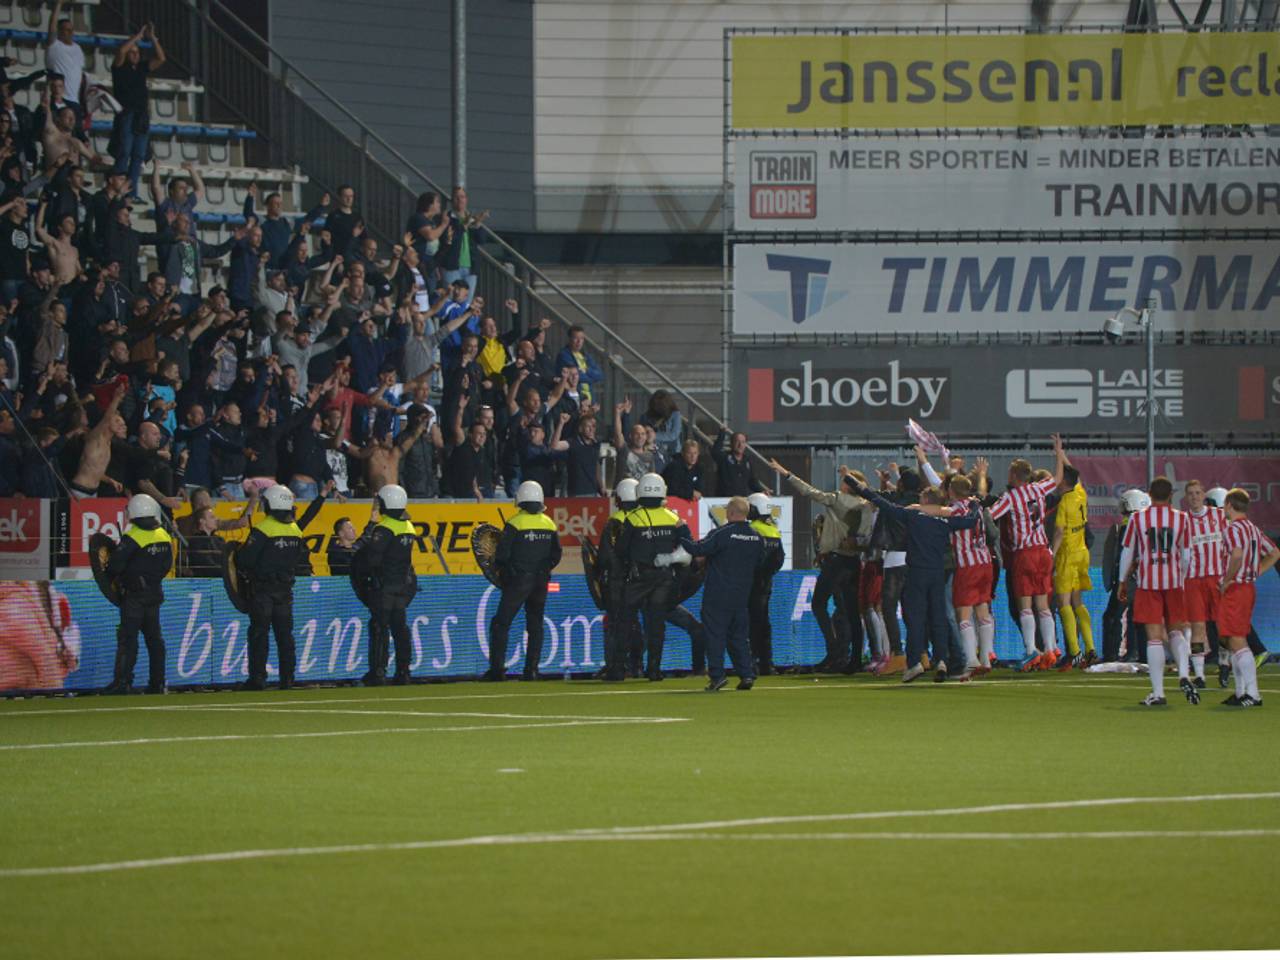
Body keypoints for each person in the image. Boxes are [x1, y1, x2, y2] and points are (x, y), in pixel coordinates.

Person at [847, 474, 980, 683]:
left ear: (926, 501)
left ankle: (914, 663)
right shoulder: (945, 521)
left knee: (916, 618)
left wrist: (858, 486)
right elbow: (970, 522)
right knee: (938, 618)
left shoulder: (914, 516)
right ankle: (941, 660)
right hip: (938, 574)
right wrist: (974, 505)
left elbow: (883, 504)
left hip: (917, 572)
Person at [769, 457, 866, 673]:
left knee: (818, 604)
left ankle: (834, 651)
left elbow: (809, 491)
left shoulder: (838, 498)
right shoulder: (864, 505)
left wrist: (786, 473)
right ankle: (854, 659)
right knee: (850, 612)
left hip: (836, 561)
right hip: (853, 562)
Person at [664, 496, 764, 692]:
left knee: (715, 635)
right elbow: (760, 562)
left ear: (731, 512)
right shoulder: (757, 537)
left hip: (718, 594)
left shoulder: (722, 533)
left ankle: (717, 676)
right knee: (739, 637)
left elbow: (696, 548)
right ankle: (746, 674)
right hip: (742, 595)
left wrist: (682, 529)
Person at [988, 435, 1067, 670]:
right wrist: (1059, 453)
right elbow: (1059, 477)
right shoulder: (1039, 489)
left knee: (1025, 605)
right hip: (1044, 551)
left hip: (1024, 553)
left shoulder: (1011, 497)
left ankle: (1032, 650)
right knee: (1043, 605)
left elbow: (991, 515)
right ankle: (1051, 649)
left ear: (1013, 476)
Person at [1119, 476, 1194, 707]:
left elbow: (1128, 552)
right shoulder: (1182, 519)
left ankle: (1159, 693)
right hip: (1173, 583)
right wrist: (1180, 576)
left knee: (1153, 638)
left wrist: (1122, 581)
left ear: (1149, 495)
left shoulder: (1138, 519)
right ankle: (1183, 673)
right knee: (1176, 632)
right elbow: (1187, 554)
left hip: (1148, 583)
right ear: (1172, 495)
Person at [234, 484, 316, 690]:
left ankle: (258, 678)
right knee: (285, 635)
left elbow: (245, 559)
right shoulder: (295, 530)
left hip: (262, 590)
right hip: (285, 590)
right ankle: (288, 678)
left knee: (259, 634)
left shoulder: (263, 528)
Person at [616, 473, 692, 681]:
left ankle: (620, 669)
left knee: (624, 621)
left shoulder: (633, 518)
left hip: (639, 578)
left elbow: (621, 550)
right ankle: (654, 670)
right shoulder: (674, 518)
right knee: (657, 624)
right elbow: (689, 547)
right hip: (664, 579)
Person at [483, 480, 561, 682]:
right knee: (535, 624)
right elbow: (556, 554)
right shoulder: (549, 523)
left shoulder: (515, 523)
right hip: (540, 581)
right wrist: (544, 569)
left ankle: (497, 670)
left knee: (501, 623)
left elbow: (501, 556)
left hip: (519, 581)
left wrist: (508, 572)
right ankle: (532, 670)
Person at [103, 494, 174, 695]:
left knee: (128, 638)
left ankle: (123, 682)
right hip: (155, 593)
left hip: (134, 597)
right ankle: (158, 683)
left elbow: (114, 566)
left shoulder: (132, 536)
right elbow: (167, 565)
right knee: (155, 640)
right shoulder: (164, 535)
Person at [353, 485, 419, 686]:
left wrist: (371, 526)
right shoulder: (409, 526)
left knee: (379, 627)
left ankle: (378, 671)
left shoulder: (384, 528)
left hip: (384, 586)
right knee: (400, 629)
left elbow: (371, 557)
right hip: (401, 585)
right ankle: (403, 671)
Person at [1218, 488, 1278, 708]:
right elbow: (1274, 553)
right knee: (1233, 639)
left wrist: (1228, 579)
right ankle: (1241, 691)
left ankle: (1253, 694)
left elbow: (1236, 554)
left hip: (1236, 589)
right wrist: (1256, 571)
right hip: (1247, 587)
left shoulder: (1233, 529)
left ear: (1229, 505)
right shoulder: (1253, 529)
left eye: (1225, 505)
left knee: (1236, 640)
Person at [942, 474, 997, 680]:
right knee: (983, 610)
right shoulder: (978, 507)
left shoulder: (956, 509)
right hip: (985, 562)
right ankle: (985, 658)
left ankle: (971, 662)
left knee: (963, 614)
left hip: (967, 565)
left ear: (951, 491)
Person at [109, 22, 165, 195]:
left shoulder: (141, 68)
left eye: (137, 52)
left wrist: (153, 39)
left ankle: (131, 192)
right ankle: (117, 186)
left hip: (141, 115)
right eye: (132, 52)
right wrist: (138, 36)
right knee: (124, 151)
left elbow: (161, 58)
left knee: (138, 155)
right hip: (127, 113)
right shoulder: (119, 67)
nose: (135, 54)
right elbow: (120, 52)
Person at [1051, 462, 1096, 670]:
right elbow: (1074, 474)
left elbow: (1059, 532)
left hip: (1067, 555)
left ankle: (1075, 651)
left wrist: (1051, 554)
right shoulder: (1080, 494)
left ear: (1063, 482)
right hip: (1083, 552)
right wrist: (1060, 453)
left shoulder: (1064, 503)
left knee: (1064, 603)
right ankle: (1090, 647)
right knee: (1078, 602)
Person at [1182, 479, 1226, 689]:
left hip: (1217, 579)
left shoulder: (1219, 516)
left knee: (1222, 626)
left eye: (1198, 493)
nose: (1194, 497)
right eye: (1190, 493)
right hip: (1192, 581)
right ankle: (1199, 675)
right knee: (1197, 626)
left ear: (1204, 495)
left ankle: (1224, 665)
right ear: (1185, 497)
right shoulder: (1182, 521)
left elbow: (1233, 543)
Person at [597, 477, 639, 681]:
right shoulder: (642, 517)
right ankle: (637, 665)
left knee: (616, 624)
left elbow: (604, 556)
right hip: (640, 579)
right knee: (636, 624)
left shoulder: (615, 521)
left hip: (617, 581)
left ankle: (615, 665)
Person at [1102, 488, 1148, 662]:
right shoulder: (1146, 523)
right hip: (1143, 579)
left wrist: (1121, 579)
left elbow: (1122, 553)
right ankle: (1138, 653)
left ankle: (1111, 654)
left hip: (1128, 579)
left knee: (1112, 616)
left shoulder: (1126, 525)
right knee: (1138, 618)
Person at [746, 491, 785, 676]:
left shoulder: (752, 529)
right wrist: (767, 575)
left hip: (751, 583)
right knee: (764, 623)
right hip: (766, 583)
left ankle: (751, 661)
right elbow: (780, 558)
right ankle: (767, 662)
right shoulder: (774, 530)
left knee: (751, 623)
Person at [713, 425, 765, 496]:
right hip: (725, 501)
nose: (740, 445)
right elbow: (715, 452)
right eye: (737, 441)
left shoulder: (747, 461)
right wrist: (722, 434)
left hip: (742, 501)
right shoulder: (724, 458)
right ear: (732, 443)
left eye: (743, 442)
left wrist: (762, 490)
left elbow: (752, 481)